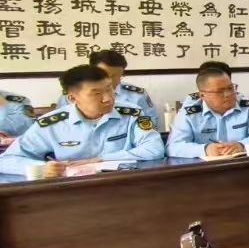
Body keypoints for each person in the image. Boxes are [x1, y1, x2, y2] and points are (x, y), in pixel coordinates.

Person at [0, 65, 164, 175]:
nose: (108, 98)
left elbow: (154, 149)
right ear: (72, 98)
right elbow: (6, 160)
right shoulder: (51, 124)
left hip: (124, 185)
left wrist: (101, 159)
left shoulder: (132, 113)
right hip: (71, 192)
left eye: (109, 89)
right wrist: (42, 168)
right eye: (97, 94)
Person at [166, 67, 249, 158]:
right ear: (202, 95)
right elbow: (173, 146)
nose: (228, 94)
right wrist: (205, 149)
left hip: (244, 165)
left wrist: (242, 145)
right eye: (220, 91)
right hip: (205, 169)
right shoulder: (188, 114)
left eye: (230, 88)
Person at [57, 50, 160, 127]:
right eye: (105, 75)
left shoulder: (137, 95)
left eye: (116, 76)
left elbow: (152, 123)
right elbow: (61, 126)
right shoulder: (75, 95)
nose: (110, 80)